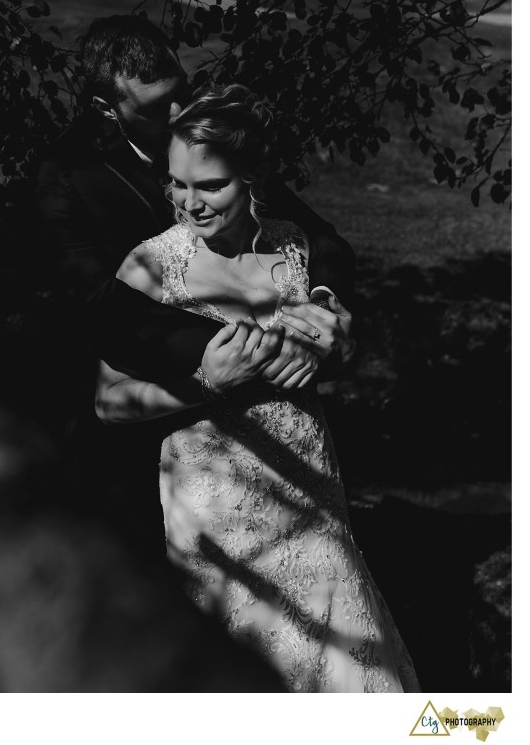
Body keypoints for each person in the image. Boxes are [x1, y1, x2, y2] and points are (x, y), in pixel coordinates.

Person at [95, 85, 421, 693]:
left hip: (312, 492)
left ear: (251, 179)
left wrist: (337, 346)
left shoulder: (295, 249)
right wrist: (204, 384)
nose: (187, 203)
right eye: (176, 183)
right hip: (215, 508)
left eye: (209, 185)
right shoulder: (149, 266)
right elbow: (108, 403)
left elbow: (334, 351)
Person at [36, 16, 355, 550]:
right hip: (154, 415)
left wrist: (319, 308)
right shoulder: (67, 175)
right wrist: (253, 350)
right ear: (106, 109)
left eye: (180, 91)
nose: (179, 112)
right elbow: (102, 309)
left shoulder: (216, 139)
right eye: (157, 105)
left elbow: (320, 245)